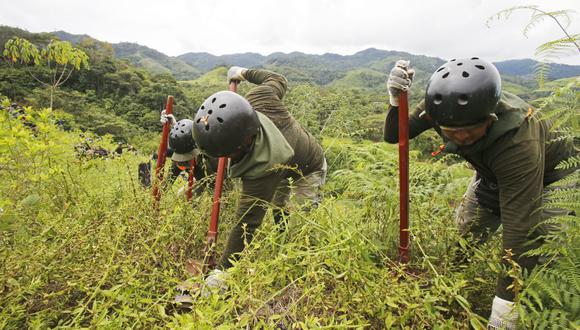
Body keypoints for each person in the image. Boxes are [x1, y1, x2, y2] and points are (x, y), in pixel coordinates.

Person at [383, 58, 578, 329]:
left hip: (553, 176)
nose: (461, 138)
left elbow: (519, 228)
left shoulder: (519, 139)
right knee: (467, 232)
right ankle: (452, 290)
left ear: (491, 118)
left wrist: (503, 311)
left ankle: (536, 312)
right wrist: (395, 100)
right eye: (452, 132)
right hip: (492, 173)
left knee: (542, 248)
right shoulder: (440, 107)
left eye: (470, 131)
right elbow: (395, 134)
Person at [191, 67, 327, 292]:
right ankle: (280, 237)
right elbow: (276, 78)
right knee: (279, 208)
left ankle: (297, 271)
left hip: (308, 169)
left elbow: (246, 223)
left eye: (228, 154)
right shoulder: (256, 99)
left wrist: (222, 271)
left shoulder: (263, 169)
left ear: (244, 143)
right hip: (286, 164)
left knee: (298, 226)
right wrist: (242, 73)